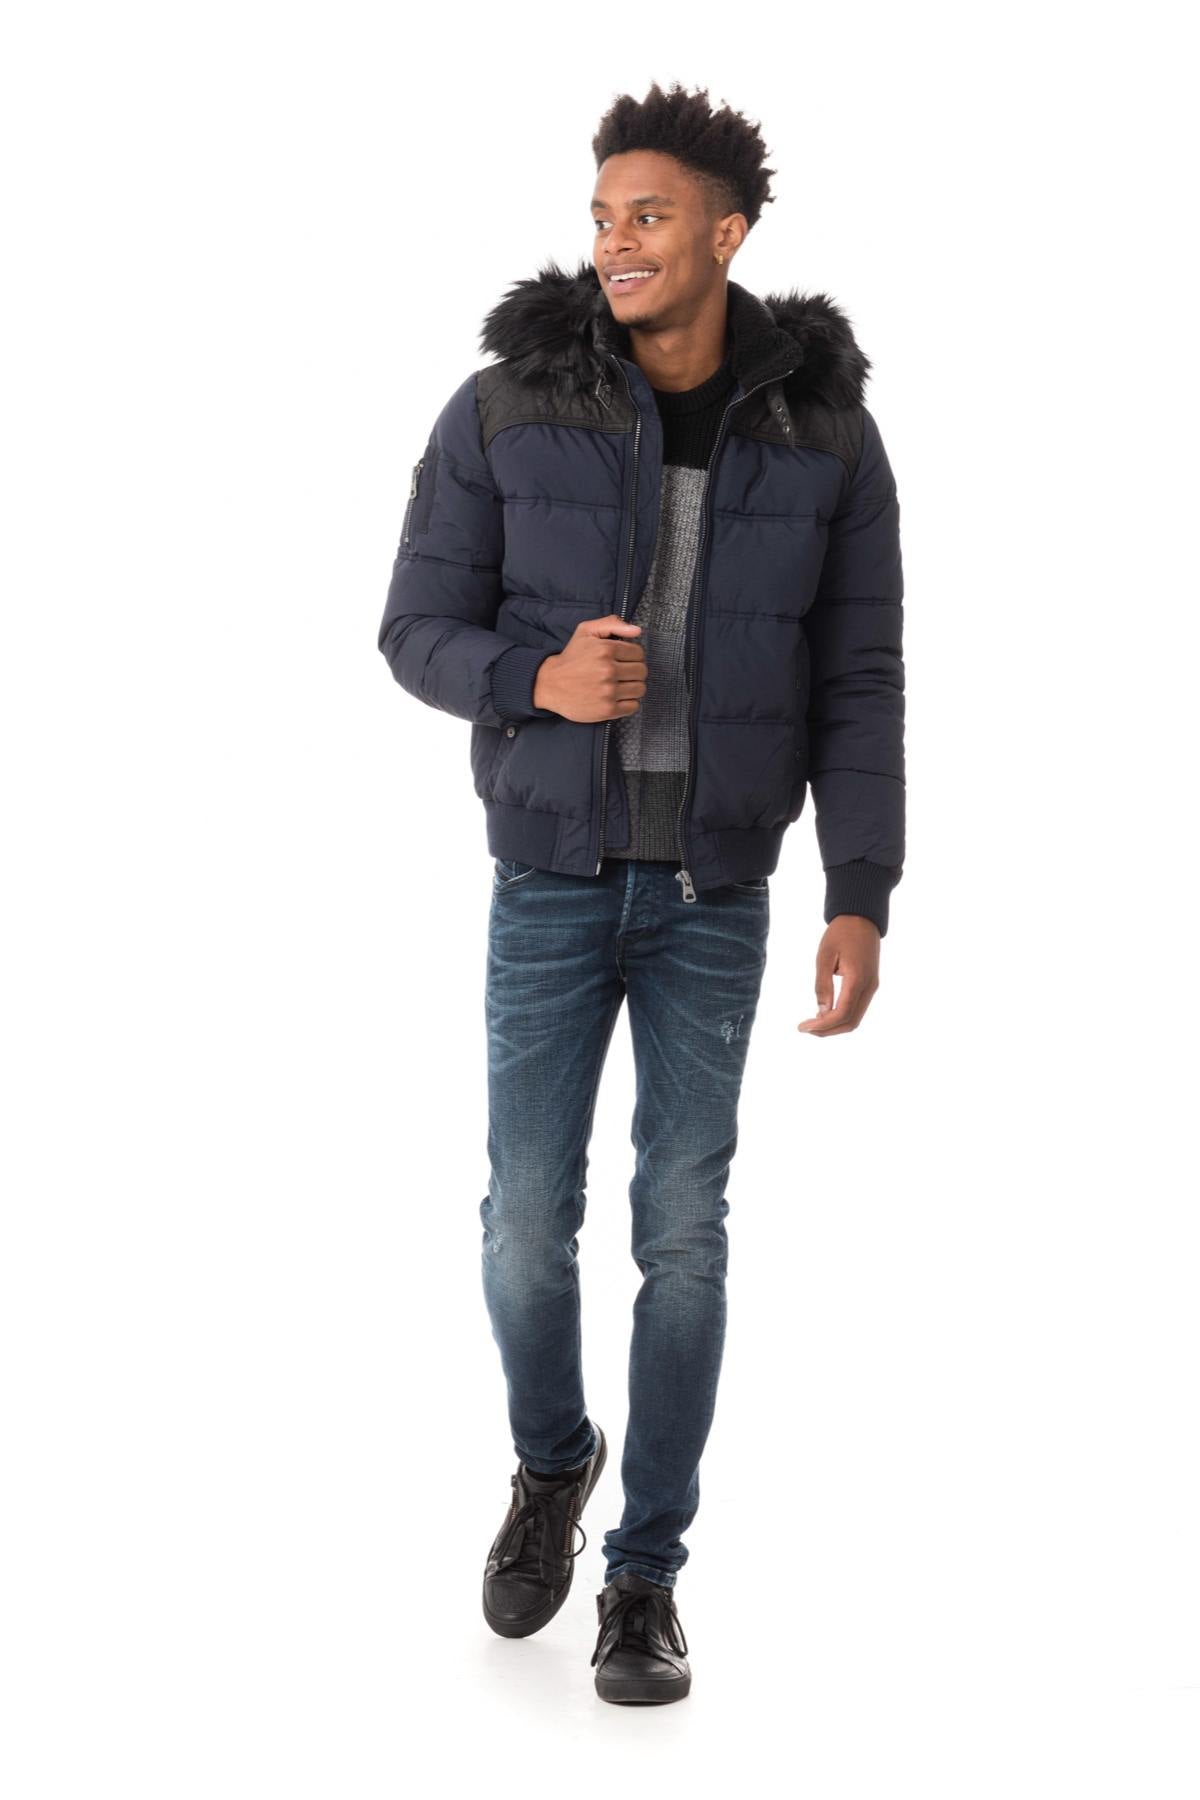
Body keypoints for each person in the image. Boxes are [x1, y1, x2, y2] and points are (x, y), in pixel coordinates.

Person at [377, 78, 905, 1705]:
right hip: (547, 880)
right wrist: (535, 680)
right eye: (603, 215)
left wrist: (861, 886)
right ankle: (555, 1461)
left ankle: (646, 1574)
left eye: (651, 216)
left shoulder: (824, 435)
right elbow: (413, 630)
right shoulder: (506, 407)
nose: (617, 241)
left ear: (727, 234)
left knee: (684, 1229)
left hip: (715, 894)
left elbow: (859, 677)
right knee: (525, 1226)